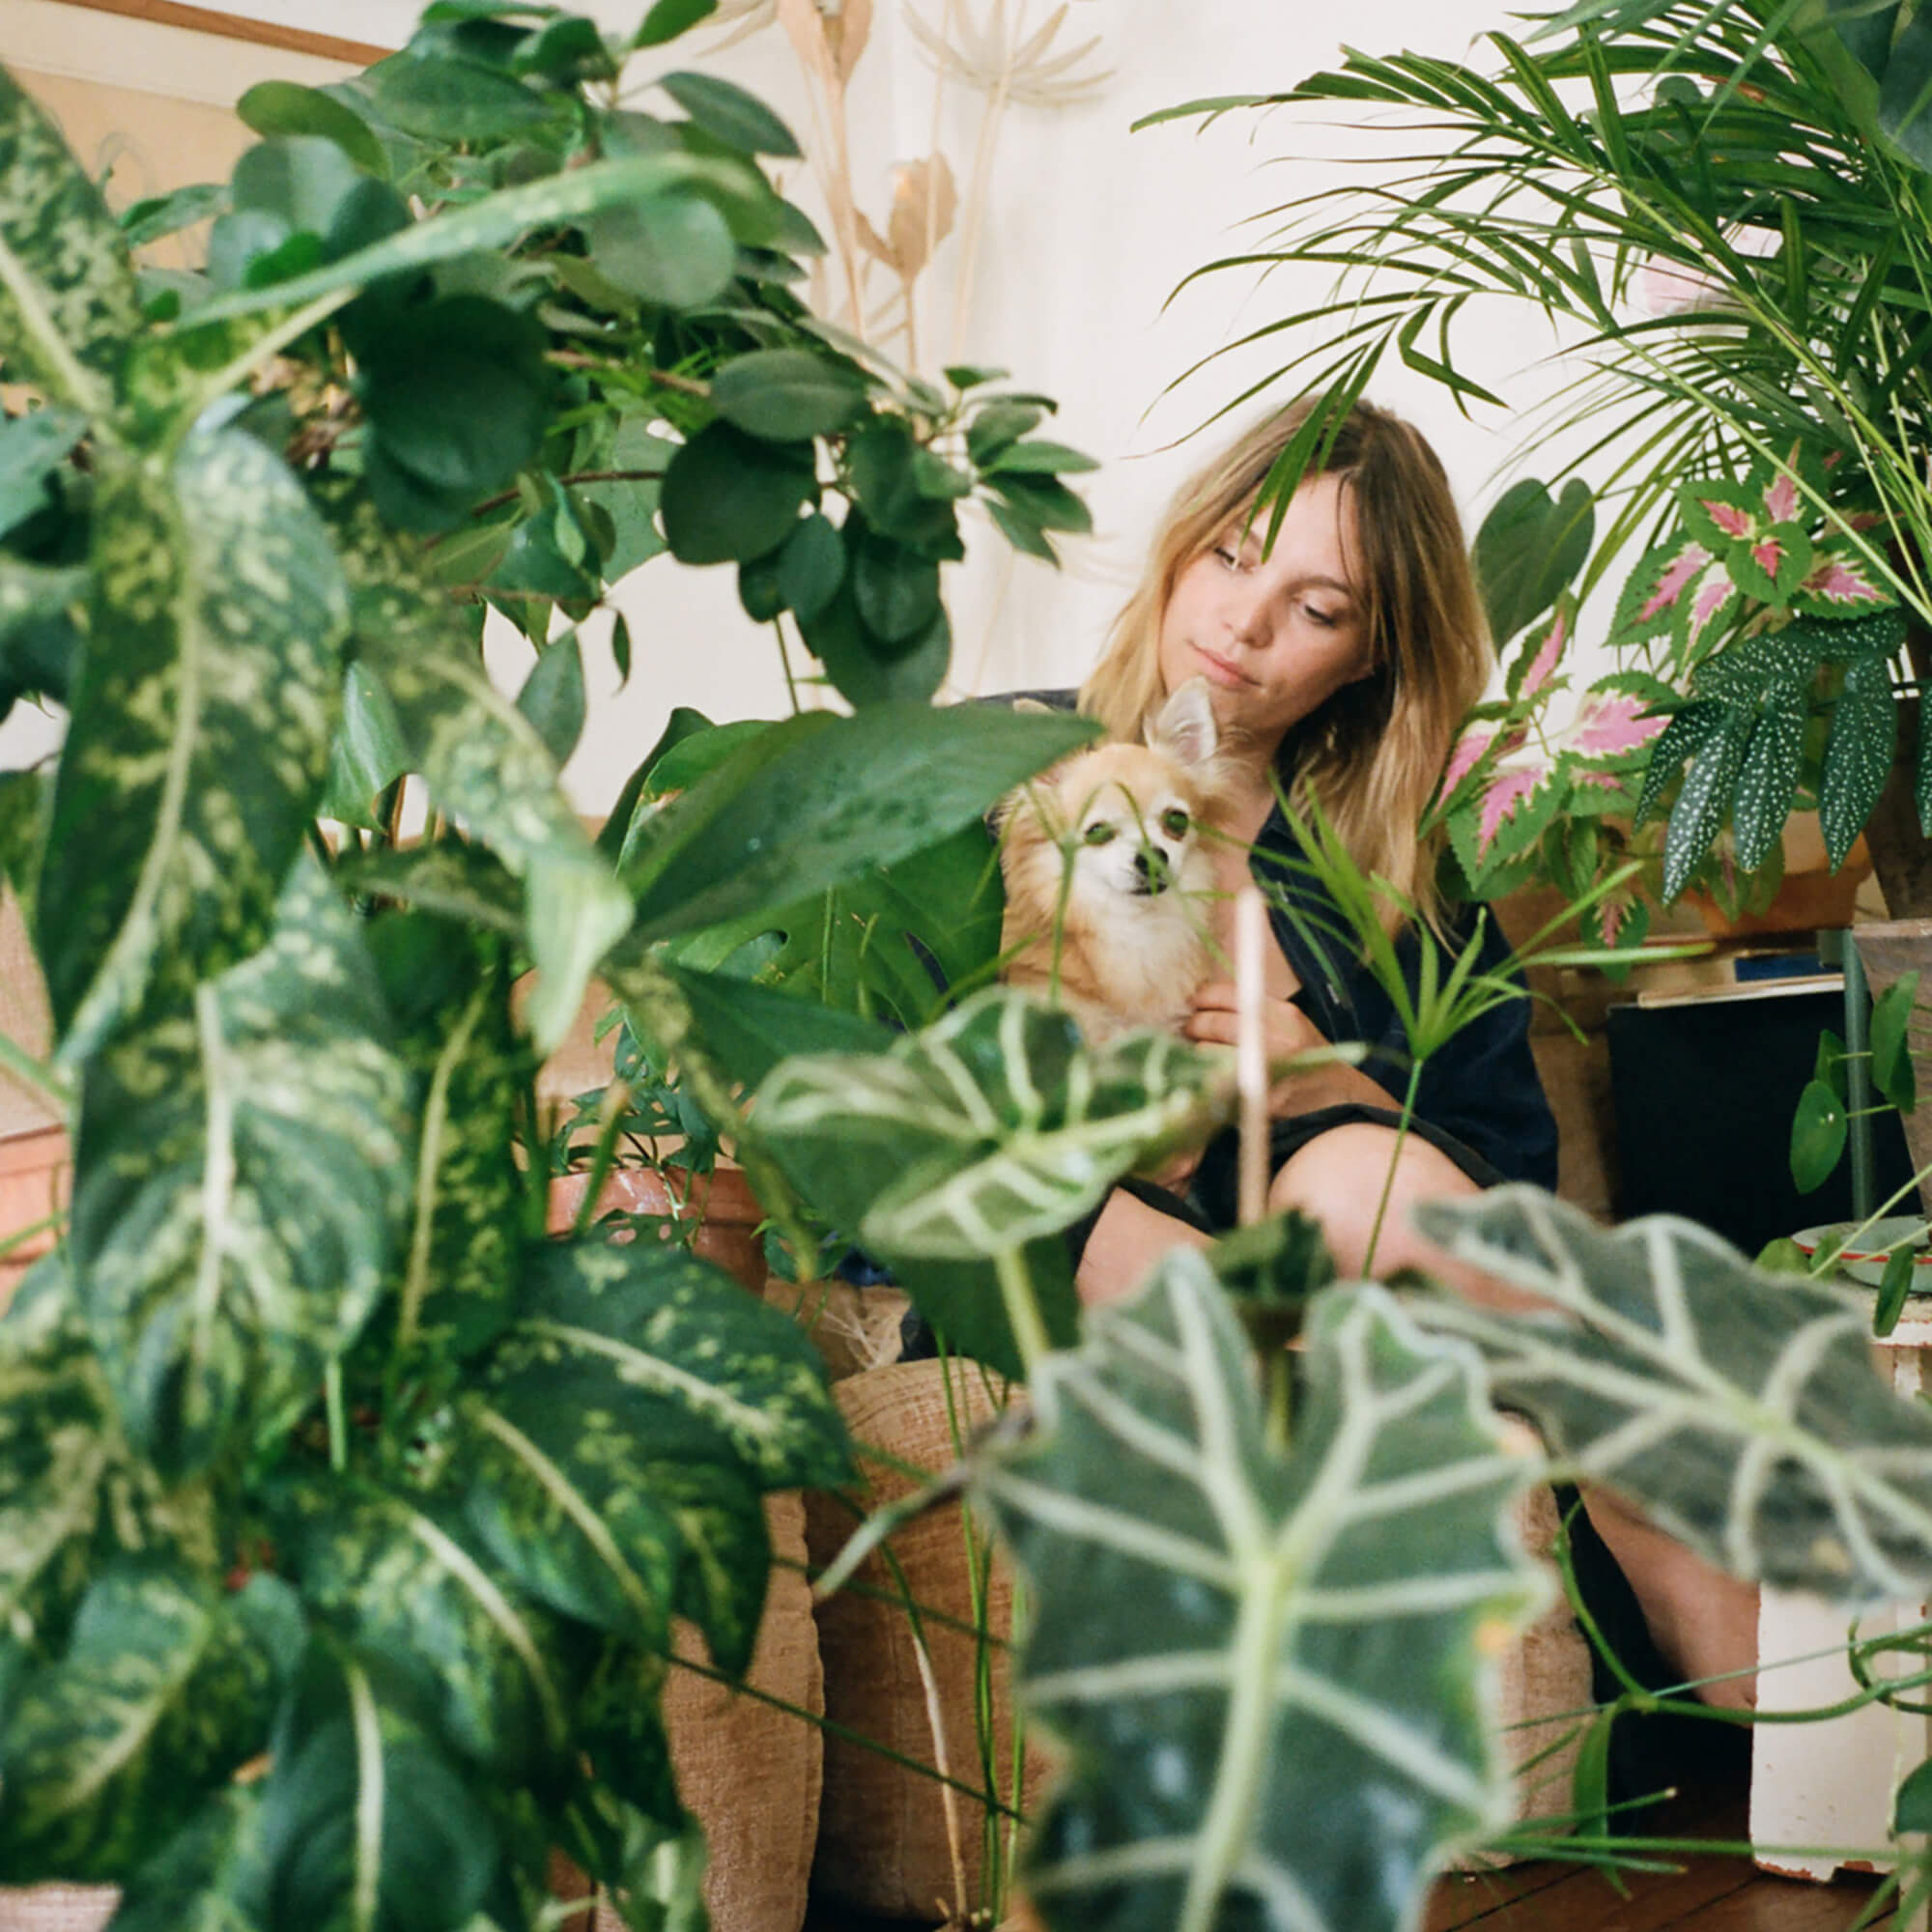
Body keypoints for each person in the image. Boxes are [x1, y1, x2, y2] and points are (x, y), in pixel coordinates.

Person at [1048, 394, 1760, 1720]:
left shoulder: (1400, 877)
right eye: (1233, 553)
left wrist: (1330, 1078)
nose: (1244, 624)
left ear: (1371, 658)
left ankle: (1704, 1587)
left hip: (1378, 1287)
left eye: (1318, 610)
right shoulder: (1013, 766)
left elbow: (1512, 1185)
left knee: (1356, 1173)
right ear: (1184, 542)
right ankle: (1705, 1574)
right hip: (1089, 1247)